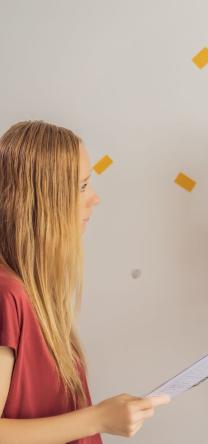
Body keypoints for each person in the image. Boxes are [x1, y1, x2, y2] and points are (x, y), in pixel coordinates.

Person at [0, 121, 169, 444]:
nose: (94, 198)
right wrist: (99, 418)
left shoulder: (36, 291)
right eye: (81, 186)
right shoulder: (7, 295)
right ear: (42, 200)